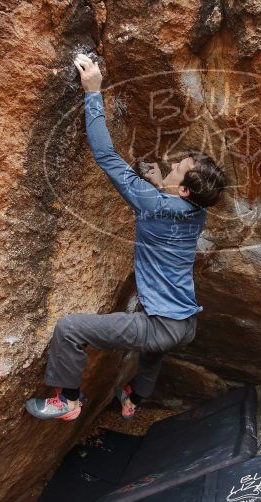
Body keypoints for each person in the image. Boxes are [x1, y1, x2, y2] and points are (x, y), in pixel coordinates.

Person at [25, 53, 227, 421]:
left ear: (183, 191)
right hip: (185, 325)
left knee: (70, 329)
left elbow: (106, 155)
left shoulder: (154, 203)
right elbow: (169, 204)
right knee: (152, 354)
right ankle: (134, 398)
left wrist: (93, 92)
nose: (169, 166)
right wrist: (157, 182)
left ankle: (68, 400)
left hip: (161, 324)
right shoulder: (197, 212)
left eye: (176, 170)